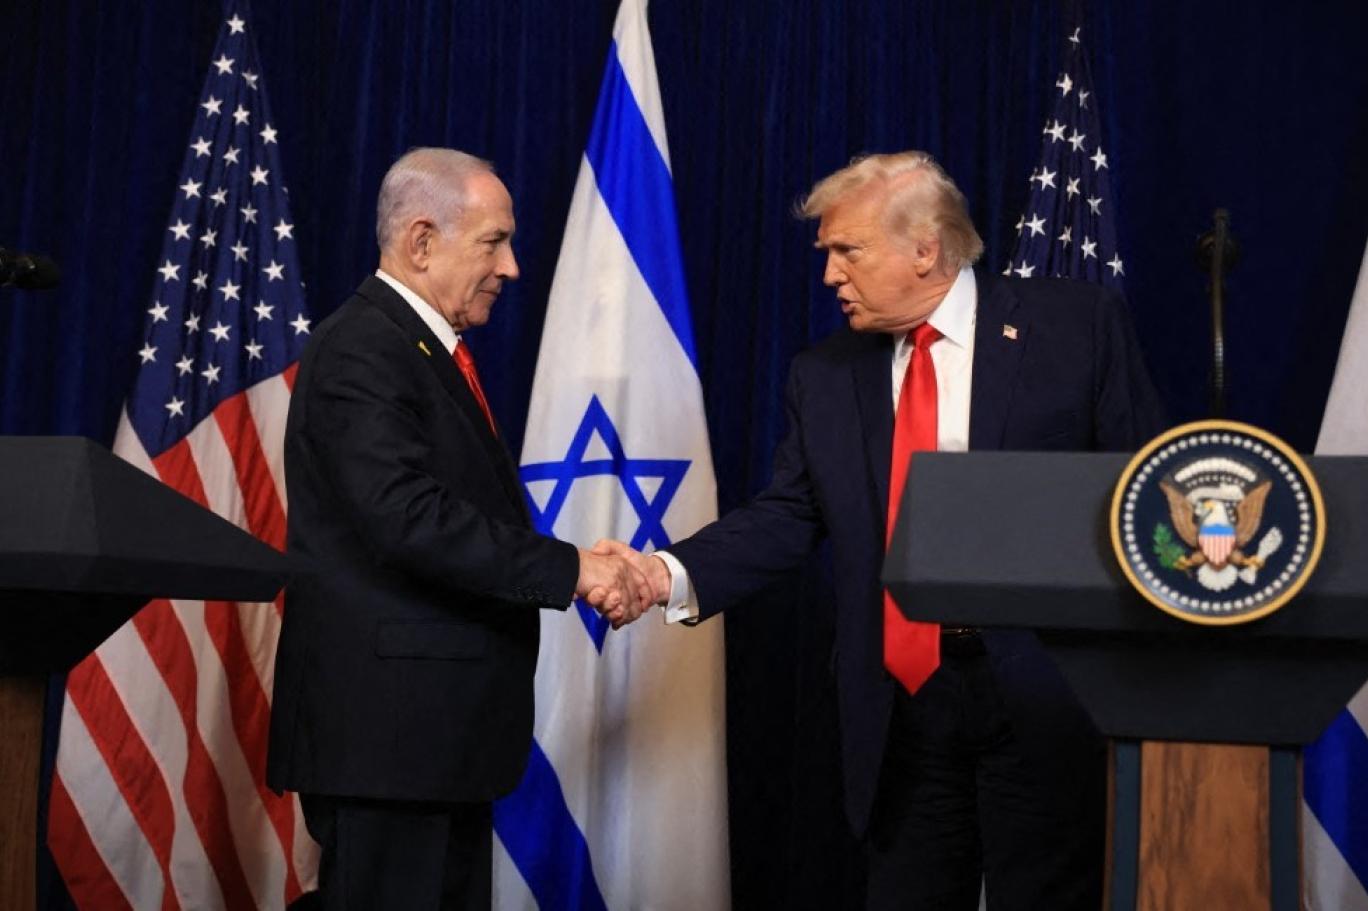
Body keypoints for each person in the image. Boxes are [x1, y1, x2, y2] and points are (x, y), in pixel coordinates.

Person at [599, 151, 1166, 910]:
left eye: (848, 251)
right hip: (901, 708)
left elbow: (1140, 491)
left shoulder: (1076, 328)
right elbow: (788, 514)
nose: (830, 274)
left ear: (925, 248)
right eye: (828, 253)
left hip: (1045, 693)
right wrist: (660, 573)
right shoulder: (825, 374)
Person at [267, 147, 650, 910]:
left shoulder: (417, 349)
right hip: (388, 743)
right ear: (421, 241)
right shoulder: (363, 347)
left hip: (433, 741)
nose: (510, 267)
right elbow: (406, 517)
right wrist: (574, 568)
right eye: (493, 242)